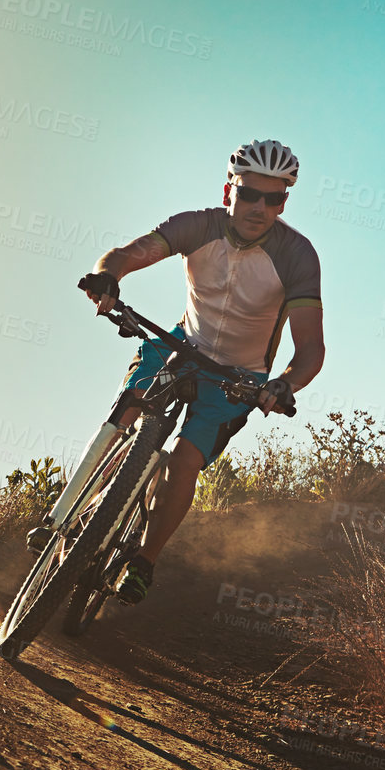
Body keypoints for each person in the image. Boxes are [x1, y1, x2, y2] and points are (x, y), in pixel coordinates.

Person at [73, 139, 325, 604]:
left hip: (240, 376)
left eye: (273, 199)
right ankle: (68, 515)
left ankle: (144, 562)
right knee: (127, 408)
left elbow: (310, 348)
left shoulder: (297, 255)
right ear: (230, 190)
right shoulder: (197, 225)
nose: (260, 207)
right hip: (181, 344)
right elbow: (127, 253)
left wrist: (284, 384)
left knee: (186, 461)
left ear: (284, 202)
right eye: (250, 193)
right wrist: (109, 277)